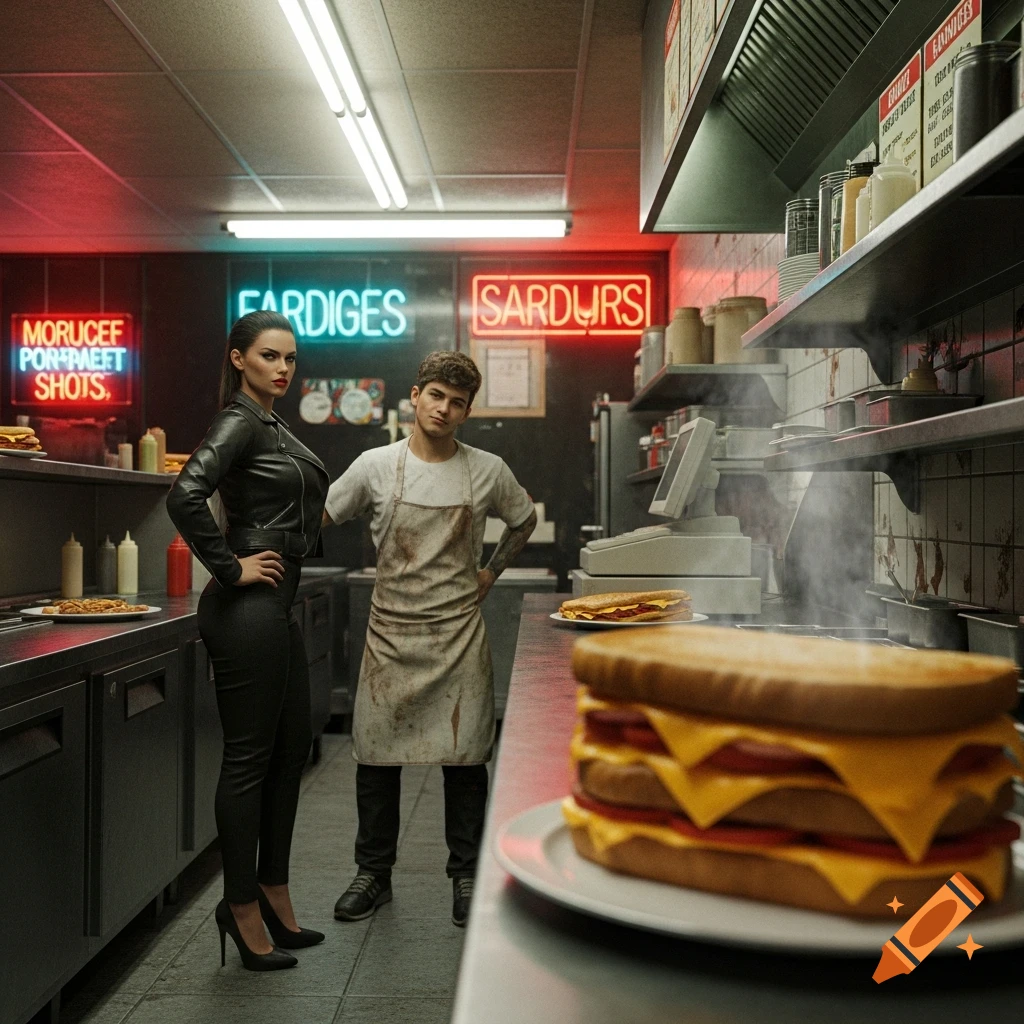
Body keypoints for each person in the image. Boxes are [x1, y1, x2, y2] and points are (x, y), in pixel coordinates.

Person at [323, 350, 537, 927]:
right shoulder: (374, 466)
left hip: (457, 638)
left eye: (457, 402)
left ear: (467, 412)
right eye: (436, 395)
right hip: (389, 637)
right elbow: (321, 515)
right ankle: (373, 873)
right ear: (415, 396)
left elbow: (523, 520)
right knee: (375, 760)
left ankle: (466, 874)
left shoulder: (487, 470)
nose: (443, 409)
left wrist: (491, 571)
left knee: (465, 762)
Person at [167, 310, 330, 971]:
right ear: (239, 359)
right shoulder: (239, 420)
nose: (283, 368)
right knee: (248, 761)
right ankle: (238, 907)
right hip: (247, 609)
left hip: (276, 605)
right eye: (269, 356)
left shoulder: (270, 423)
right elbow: (185, 494)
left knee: (289, 753)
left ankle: (272, 892)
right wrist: (230, 567)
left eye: (290, 358)